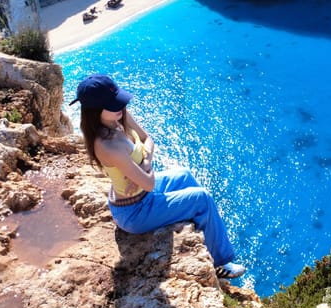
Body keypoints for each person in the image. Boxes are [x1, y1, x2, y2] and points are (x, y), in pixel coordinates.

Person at [71, 74, 246, 278]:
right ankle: (221, 263)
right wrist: (143, 169)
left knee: (184, 174)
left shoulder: (118, 117)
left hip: (141, 195)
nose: (120, 106)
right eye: (112, 103)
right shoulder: (108, 145)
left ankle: (208, 236)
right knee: (202, 198)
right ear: (95, 110)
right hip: (134, 212)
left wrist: (144, 163)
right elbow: (149, 183)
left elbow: (148, 139)